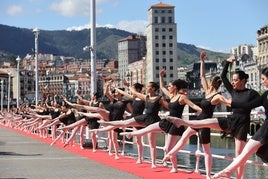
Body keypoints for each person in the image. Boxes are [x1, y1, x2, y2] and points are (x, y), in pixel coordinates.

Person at [165, 56, 260, 179]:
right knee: (206, 122)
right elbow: (223, 76)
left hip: (242, 124)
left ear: (242, 81)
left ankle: (239, 178)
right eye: (233, 80)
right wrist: (227, 62)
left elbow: (262, 102)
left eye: (235, 80)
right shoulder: (233, 91)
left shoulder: (251, 93)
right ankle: (181, 122)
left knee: (238, 154)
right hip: (230, 120)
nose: (233, 82)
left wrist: (235, 103)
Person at [162, 51, 230, 178]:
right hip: (197, 121)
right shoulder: (207, 92)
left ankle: (208, 175)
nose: (206, 82)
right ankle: (169, 154)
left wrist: (236, 102)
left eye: (209, 81)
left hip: (205, 124)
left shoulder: (217, 96)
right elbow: (202, 76)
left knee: (206, 151)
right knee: (183, 139)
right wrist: (202, 62)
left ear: (212, 83)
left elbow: (228, 102)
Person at [120, 69, 202, 172]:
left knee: (168, 149)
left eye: (170, 86)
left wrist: (201, 111)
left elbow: (193, 105)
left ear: (175, 87)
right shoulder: (172, 96)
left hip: (176, 124)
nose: (168, 87)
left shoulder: (182, 97)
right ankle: (132, 134)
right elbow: (162, 87)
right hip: (167, 121)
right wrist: (160, 76)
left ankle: (174, 167)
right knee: (149, 128)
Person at [212, 67, 268, 179]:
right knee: (247, 151)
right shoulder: (266, 94)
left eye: (263, 79)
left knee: (247, 150)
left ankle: (227, 172)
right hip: (265, 126)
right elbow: (247, 105)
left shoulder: (253, 93)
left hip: (258, 127)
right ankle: (227, 172)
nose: (262, 81)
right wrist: (229, 103)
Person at [97, 81, 169, 168]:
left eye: (148, 86)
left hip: (151, 120)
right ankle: (108, 123)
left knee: (151, 142)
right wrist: (122, 87)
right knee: (130, 130)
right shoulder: (142, 97)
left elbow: (169, 107)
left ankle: (153, 162)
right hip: (141, 118)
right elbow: (132, 93)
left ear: (153, 88)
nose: (146, 88)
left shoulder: (154, 98)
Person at [65, 80, 133, 159]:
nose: (115, 93)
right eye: (115, 92)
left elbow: (132, 112)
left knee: (114, 138)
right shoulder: (114, 101)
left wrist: (127, 118)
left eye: (117, 92)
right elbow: (107, 93)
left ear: (121, 93)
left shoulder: (125, 102)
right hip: (110, 118)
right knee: (112, 136)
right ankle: (115, 153)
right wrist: (107, 85)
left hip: (117, 120)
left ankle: (117, 152)